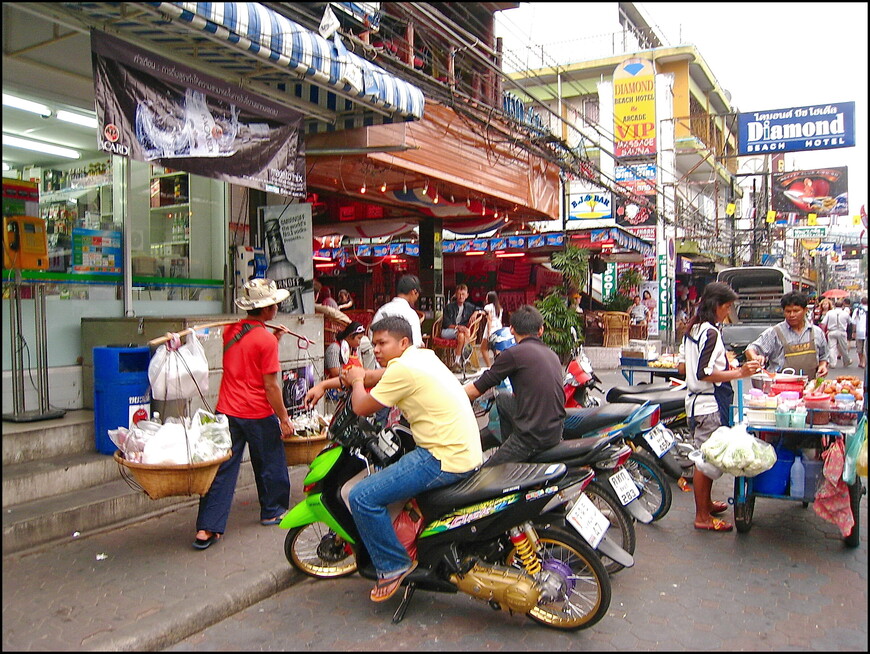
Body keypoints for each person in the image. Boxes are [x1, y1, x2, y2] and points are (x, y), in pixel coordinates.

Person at [342, 316, 482, 602]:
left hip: (440, 457)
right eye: (374, 343)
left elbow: (361, 404)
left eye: (382, 343)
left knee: (362, 497)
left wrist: (355, 380)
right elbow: (373, 377)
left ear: (403, 342)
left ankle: (393, 565)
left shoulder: (402, 370)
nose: (376, 350)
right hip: (464, 452)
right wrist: (328, 384)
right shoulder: (422, 357)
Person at [192, 278, 293, 550]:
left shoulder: (230, 331)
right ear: (268, 309)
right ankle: (272, 511)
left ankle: (207, 528)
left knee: (222, 469)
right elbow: (271, 385)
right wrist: (283, 417)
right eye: (275, 304)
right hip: (257, 411)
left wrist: (273, 339)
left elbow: (246, 352)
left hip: (226, 409)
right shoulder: (265, 342)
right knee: (270, 462)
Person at [677, 282, 761, 533]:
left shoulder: (694, 329)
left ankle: (707, 504)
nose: (729, 311)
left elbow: (684, 368)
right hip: (707, 404)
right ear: (718, 306)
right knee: (706, 462)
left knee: (707, 457)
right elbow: (704, 373)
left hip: (695, 403)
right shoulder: (711, 332)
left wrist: (723, 362)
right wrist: (738, 372)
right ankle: (702, 516)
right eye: (728, 306)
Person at [464, 305, 565, 467]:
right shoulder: (552, 354)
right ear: (541, 330)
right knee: (503, 399)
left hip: (531, 438)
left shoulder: (512, 354)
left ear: (511, 329)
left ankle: (514, 454)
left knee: (483, 478)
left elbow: (476, 389)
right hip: (555, 432)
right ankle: (508, 445)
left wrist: (451, 396)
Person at [744, 291, 830, 380]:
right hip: (780, 387)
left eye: (796, 311)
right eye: (788, 311)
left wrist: (823, 365)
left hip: (809, 387)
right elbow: (750, 349)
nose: (792, 315)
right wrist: (755, 357)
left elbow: (824, 356)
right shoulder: (774, 332)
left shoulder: (817, 332)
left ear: (805, 310)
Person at [371, 274, 424, 348]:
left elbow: (371, 337)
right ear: (413, 292)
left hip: (381, 356)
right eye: (417, 293)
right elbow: (416, 343)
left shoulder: (382, 310)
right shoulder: (410, 314)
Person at [442, 283, 484, 373]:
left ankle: (457, 362)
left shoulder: (468, 306)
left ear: (467, 295)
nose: (461, 296)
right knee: (463, 333)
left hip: (461, 333)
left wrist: (476, 312)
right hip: (447, 331)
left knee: (461, 336)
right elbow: (446, 323)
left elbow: (482, 309)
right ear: (456, 294)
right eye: (459, 294)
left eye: (463, 294)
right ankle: (466, 361)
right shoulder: (449, 307)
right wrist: (457, 327)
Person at [822, 298, 853, 367]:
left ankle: (832, 363)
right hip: (842, 332)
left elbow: (823, 322)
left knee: (832, 347)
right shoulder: (845, 313)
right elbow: (850, 322)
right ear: (842, 306)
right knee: (843, 347)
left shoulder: (829, 313)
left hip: (831, 331)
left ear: (834, 306)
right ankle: (846, 360)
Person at [479, 290, 504, 367]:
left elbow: (489, 319)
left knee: (483, 348)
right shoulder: (499, 308)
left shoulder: (488, 307)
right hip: (499, 327)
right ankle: (498, 366)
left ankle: (489, 366)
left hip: (491, 327)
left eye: (487, 296)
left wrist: (489, 332)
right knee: (497, 349)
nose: (486, 298)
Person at [851, 296, 868, 368]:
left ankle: (861, 361)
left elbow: (854, 322)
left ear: (861, 302)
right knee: (865, 348)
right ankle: (864, 362)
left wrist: (853, 332)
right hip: (866, 331)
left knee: (859, 348)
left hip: (859, 331)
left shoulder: (857, 310)